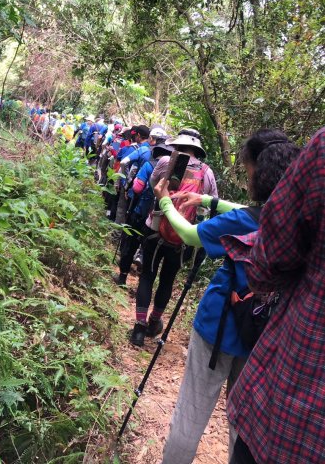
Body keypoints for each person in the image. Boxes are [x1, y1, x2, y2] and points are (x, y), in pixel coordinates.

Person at [152, 129, 300, 464]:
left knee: (191, 415)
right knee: (243, 422)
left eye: (249, 171)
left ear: (259, 174)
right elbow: (252, 211)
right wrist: (208, 201)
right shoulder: (296, 224)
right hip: (261, 335)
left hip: (217, 328)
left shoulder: (242, 220)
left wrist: (164, 199)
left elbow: (190, 235)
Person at [227, 127, 325, 464]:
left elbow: (267, 265)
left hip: (293, 393)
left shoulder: (323, 149)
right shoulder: (238, 212)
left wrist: (166, 200)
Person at [129, 129, 217, 347]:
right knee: (167, 280)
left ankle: (139, 330)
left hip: (155, 228)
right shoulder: (206, 172)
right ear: (197, 148)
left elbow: (153, 185)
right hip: (182, 235)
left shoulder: (166, 161)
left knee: (148, 277)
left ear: (176, 144)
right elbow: (212, 203)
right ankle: (154, 322)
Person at [113, 141, 174, 286]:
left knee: (130, 242)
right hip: (161, 218)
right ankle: (143, 285)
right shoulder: (175, 174)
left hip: (141, 211)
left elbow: (138, 187)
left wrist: (130, 190)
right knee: (150, 251)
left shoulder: (149, 165)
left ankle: (122, 277)